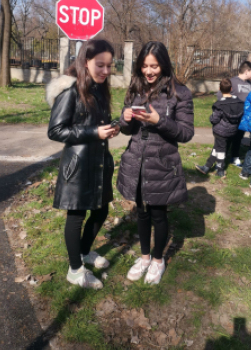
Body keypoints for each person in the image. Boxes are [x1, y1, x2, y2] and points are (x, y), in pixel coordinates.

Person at [117, 41, 194, 285]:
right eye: (144, 66)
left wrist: (160, 120)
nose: (149, 72)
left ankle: (158, 260)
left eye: (154, 66)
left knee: (159, 215)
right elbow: (126, 130)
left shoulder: (180, 93)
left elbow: (186, 133)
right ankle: (144, 256)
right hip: (137, 162)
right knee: (141, 212)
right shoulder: (136, 88)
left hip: (162, 164)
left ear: (164, 65)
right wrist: (125, 118)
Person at [46, 40, 120, 289]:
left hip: (99, 163)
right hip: (77, 166)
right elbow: (55, 131)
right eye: (100, 65)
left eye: (110, 66)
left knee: (101, 210)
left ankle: (85, 252)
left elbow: (95, 125)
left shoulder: (99, 89)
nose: (106, 71)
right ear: (84, 61)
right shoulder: (70, 91)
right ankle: (75, 269)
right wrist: (93, 133)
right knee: (76, 215)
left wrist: (112, 128)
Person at [195, 78, 244, 177]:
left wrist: (211, 117)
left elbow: (214, 119)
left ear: (219, 89)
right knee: (217, 148)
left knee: (220, 150)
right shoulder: (239, 102)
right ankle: (207, 166)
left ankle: (220, 170)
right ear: (231, 89)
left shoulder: (219, 104)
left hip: (221, 131)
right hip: (233, 130)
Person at [217, 61, 251, 166]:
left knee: (238, 138)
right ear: (247, 71)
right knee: (228, 138)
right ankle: (221, 159)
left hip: (243, 118)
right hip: (232, 117)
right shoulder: (232, 82)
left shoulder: (249, 84)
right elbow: (220, 95)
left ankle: (234, 157)